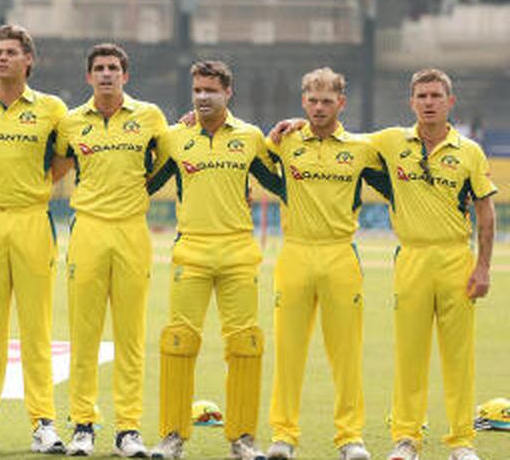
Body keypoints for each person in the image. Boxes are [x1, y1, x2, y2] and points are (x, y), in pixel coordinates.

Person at [273, 69, 495, 460]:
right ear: (411, 103)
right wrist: (298, 123)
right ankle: (405, 439)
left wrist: (483, 266)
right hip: (411, 257)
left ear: (450, 102)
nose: (428, 102)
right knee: (409, 354)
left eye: (436, 96)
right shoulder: (390, 142)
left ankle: (461, 442)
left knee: (459, 356)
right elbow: (340, 135)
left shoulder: (470, 151)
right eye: (421, 96)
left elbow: (486, 211)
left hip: (455, 257)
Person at [146, 60, 284, 460]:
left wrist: (291, 132)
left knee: (246, 344)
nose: (204, 97)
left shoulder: (250, 137)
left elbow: (284, 180)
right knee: (178, 342)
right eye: (198, 91)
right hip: (192, 249)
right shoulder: (175, 139)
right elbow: (145, 182)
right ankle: (172, 436)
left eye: (211, 90)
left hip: (238, 251)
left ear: (228, 93)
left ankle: (242, 440)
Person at [263, 68, 390, 460]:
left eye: (327, 101)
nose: (319, 108)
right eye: (312, 101)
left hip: (340, 255)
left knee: (346, 353)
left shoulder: (361, 148)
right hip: (296, 253)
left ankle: (350, 438)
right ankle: (283, 436)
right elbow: (237, 142)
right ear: (303, 101)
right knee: (288, 352)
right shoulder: (283, 141)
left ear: (341, 103)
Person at [0, 24, 69, 453]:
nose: (2, 58)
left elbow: (66, 155)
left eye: (10, 52)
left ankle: (44, 424)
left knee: (36, 330)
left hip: (31, 222)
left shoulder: (51, 109)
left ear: (28, 61)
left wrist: (39, 185)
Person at [50, 44, 167, 458]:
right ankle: (83, 425)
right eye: (98, 68)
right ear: (88, 77)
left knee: (130, 335)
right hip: (88, 232)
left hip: (133, 232)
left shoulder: (149, 117)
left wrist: (139, 191)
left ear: (125, 75)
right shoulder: (70, 123)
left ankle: (128, 430)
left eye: (113, 68)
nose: (105, 74)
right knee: (85, 335)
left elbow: (170, 161)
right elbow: (52, 171)